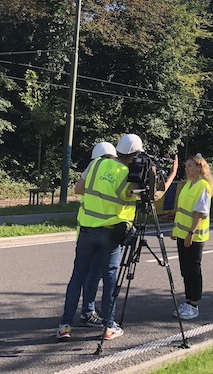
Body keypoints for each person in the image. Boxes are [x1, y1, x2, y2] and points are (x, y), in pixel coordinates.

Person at [57, 133, 142, 342]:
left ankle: (65, 325)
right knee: (110, 278)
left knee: (77, 277)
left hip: (86, 230)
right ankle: (108, 326)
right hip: (111, 234)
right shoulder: (127, 173)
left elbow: (78, 189)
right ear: (135, 155)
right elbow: (140, 196)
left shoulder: (95, 165)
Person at [74, 141, 118, 328]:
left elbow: (78, 190)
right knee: (98, 274)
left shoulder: (90, 173)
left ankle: (87, 310)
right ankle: (89, 311)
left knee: (88, 274)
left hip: (85, 230)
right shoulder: (109, 173)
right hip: (102, 231)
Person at [166, 153, 213, 320]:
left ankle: (194, 304)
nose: (186, 169)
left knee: (193, 270)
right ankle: (188, 301)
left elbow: (200, 212)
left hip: (193, 236)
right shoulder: (188, 184)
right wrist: (176, 228)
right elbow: (182, 210)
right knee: (185, 270)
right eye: (186, 166)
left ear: (199, 168)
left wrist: (190, 233)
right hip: (182, 233)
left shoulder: (203, 186)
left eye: (190, 166)